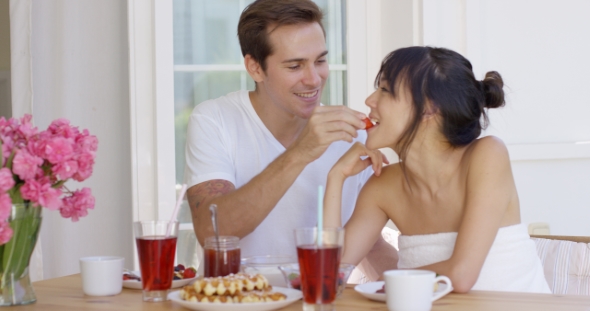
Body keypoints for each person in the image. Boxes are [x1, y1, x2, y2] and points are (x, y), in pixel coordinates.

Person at [184, 0, 397, 277]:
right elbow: (212, 232)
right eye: (295, 66)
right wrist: (301, 152)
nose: (314, 79)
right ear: (255, 68)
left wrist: (426, 290)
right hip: (233, 301)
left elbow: (371, 246)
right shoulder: (214, 120)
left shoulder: (351, 135)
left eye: (320, 61)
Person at [324, 46, 551, 293]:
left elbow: (462, 275)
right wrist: (336, 176)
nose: (370, 100)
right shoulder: (382, 186)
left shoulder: (486, 155)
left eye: (386, 91)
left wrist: (387, 279)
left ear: (429, 108)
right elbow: (327, 279)